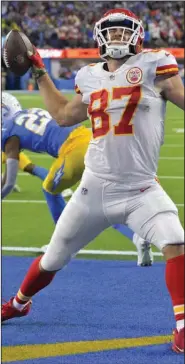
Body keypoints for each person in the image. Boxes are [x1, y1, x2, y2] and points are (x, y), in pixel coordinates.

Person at [2, 8, 184, 353]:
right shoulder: (88, 76)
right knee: (53, 258)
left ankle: (183, 325)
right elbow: (63, 115)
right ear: (100, 37)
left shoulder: (154, 63)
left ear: (137, 35)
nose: (117, 37)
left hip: (142, 187)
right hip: (94, 188)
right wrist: (40, 70)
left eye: (123, 31)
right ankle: (20, 303)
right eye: (111, 32)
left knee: (176, 240)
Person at [1, 92, 152, 263]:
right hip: (93, 137)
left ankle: (60, 246)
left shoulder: (8, 133)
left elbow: (8, 183)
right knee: (102, 201)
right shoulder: (30, 112)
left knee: (49, 189)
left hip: (74, 149)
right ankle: (137, 237)